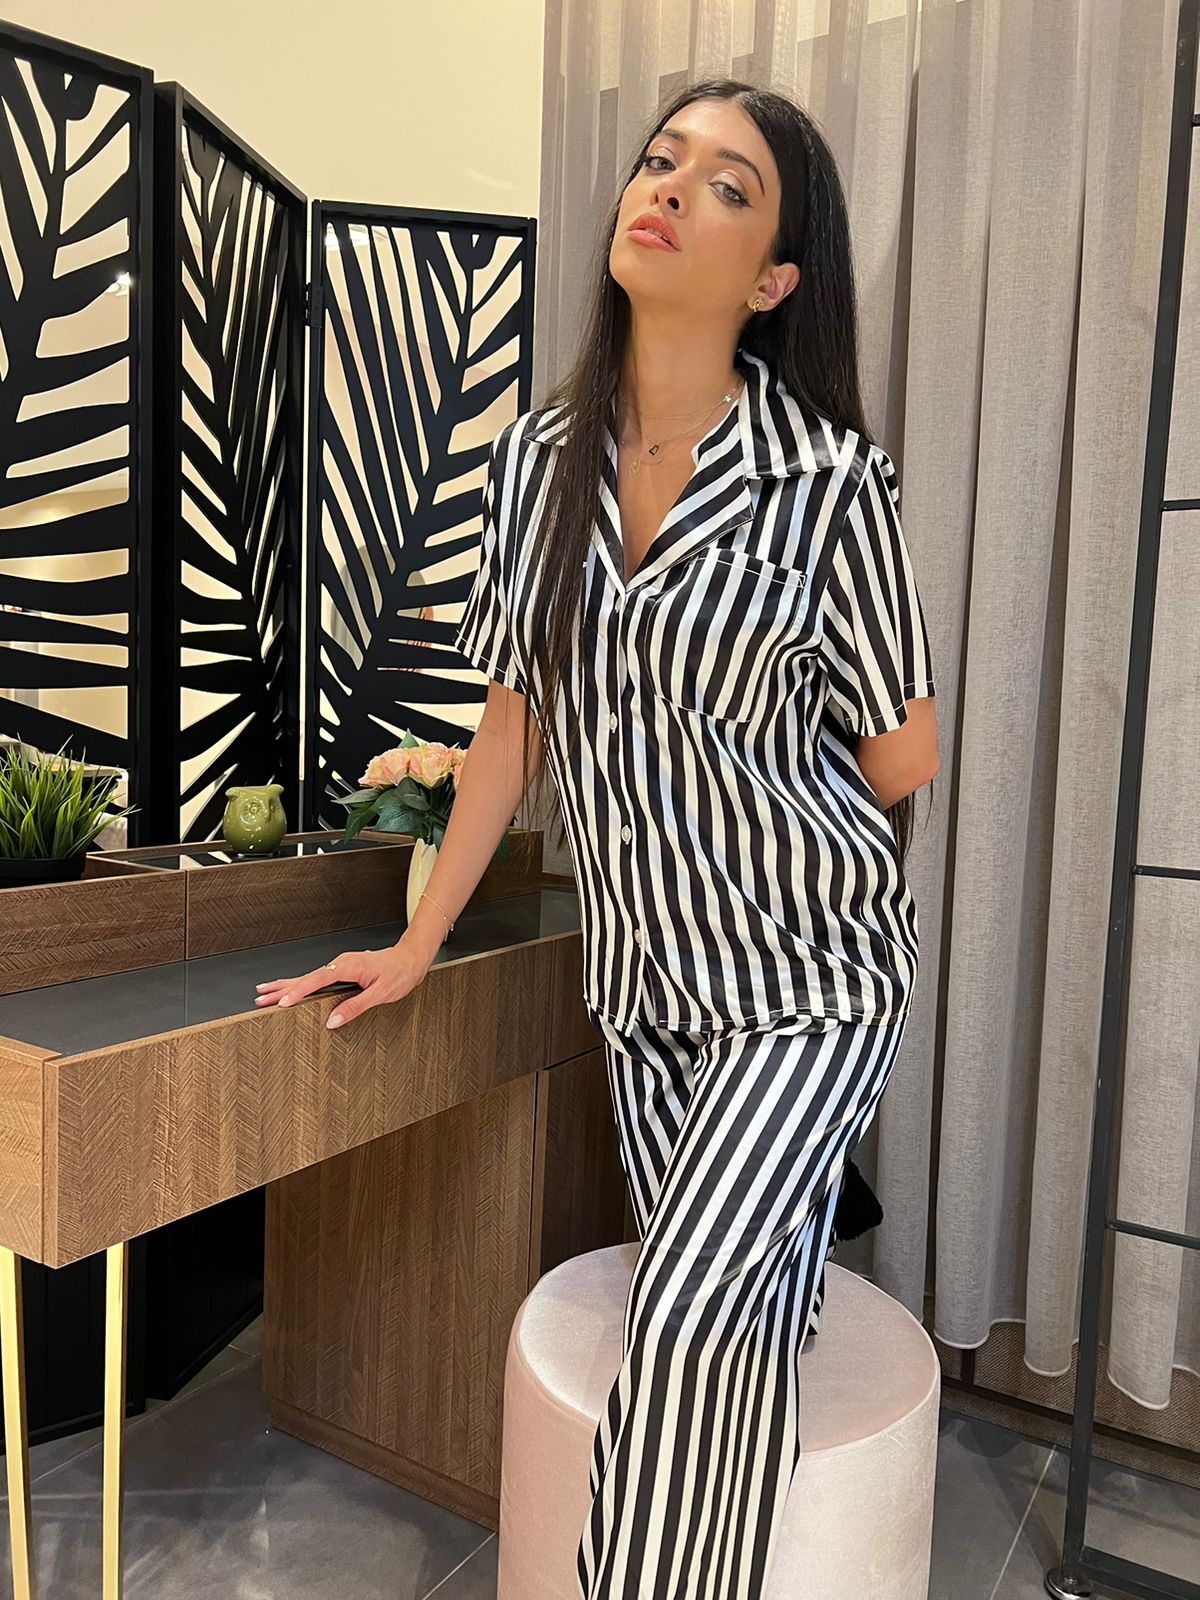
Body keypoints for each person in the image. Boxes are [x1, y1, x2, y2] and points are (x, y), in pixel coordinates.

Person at [255, 76, 938, 1600]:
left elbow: (905, 756)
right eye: (660, 159)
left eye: (729, 184)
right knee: (723, 1309)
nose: (672, 187)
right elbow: (513, 732)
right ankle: (790, 1227)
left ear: (773, 282)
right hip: (644, 993)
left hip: (809, 978)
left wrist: (760, 817)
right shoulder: (536, 460)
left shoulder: (832, 485)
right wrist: (420, 942)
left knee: (691, 1318)